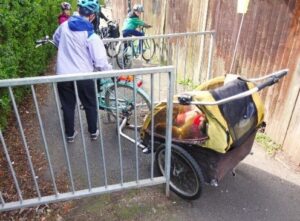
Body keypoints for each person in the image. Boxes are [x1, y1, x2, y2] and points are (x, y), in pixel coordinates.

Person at [53, 0, 112, 143]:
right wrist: (110, 72)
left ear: (78, 11)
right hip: (83, 76)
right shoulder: (91, 34)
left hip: (63, 75)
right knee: (90, 104)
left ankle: (70, 134)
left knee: (67, 106)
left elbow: (56, 40)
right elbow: (100, 61)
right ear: (92, 16)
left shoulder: (64, 26)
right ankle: (93, 132)